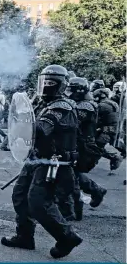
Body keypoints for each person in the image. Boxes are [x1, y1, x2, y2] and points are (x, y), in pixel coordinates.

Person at [1, 65, 82, 259]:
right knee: (19, 195)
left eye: (51, 83)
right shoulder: (42, 103)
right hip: (37, 159)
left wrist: (19, 128)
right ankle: (24, 236)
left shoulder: (62, 107)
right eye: (44, 82)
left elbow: (40, 129)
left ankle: (67, 237)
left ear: (61, 85)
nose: (46, 87)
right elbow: (26, 124)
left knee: (39, 202)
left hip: (54, 163)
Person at [58, 77, 107, 221]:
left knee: (70, 175)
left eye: (71, 90)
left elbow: (71, 122)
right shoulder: (80, 103)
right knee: (72, 174)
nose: (68, 94)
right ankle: (95, 190)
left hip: (83, 147)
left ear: (79, 91)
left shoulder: (85, 106)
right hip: (76, 144)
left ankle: (74, 210)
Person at [92, 88, 123, 171]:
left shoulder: (102, 106)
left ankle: (114, 158)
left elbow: (96, 120)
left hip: (108, 129)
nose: (95, 98)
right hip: (114, 128)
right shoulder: (112, 103)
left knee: (96, 146)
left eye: (96, 97)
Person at [2, 84, 33, 152]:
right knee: (22, 129)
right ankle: (5, 144)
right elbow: (30, 102)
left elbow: (15, 104)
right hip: (24, 113)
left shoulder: (15, 94)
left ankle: (5, 144)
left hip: (19, 112)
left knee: (18, 129)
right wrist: (35, 95)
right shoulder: (23, 95)